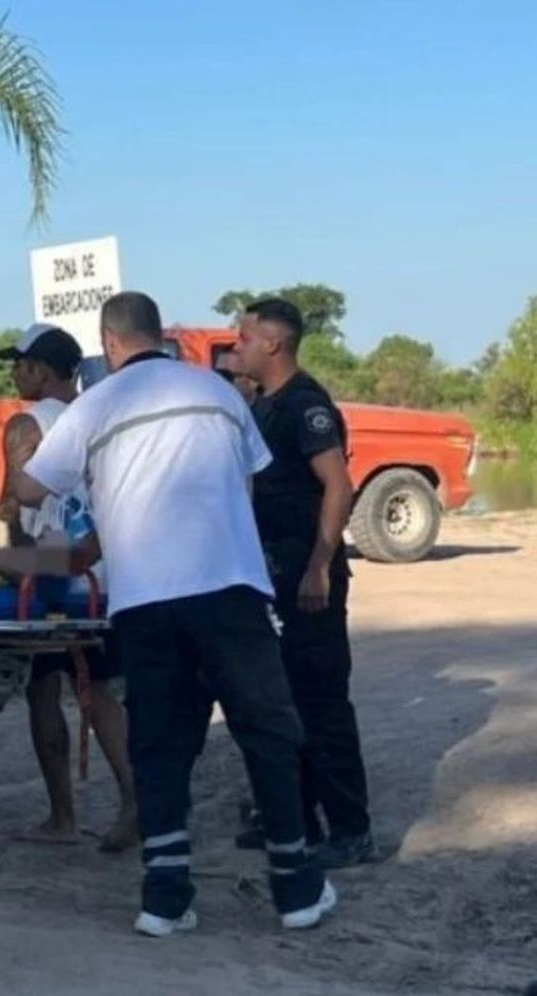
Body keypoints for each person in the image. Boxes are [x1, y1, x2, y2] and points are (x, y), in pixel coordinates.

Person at [11, 291, 334, 937]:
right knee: (267, 731)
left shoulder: (95, 405)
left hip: (145, 600)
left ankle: (164, 899)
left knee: (159, 743)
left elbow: (27, 490)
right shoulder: (216, 392)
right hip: (230, 588)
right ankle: (297, 890)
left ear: (109, 343)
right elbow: (247, 481)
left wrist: (42, 460)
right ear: (160, 336)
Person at [232, 297, 376, 869]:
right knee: (282, 701)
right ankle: (296, 820)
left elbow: (337, 487)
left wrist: (320, 563)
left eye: (243, 336)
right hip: (275, 577)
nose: (234, 344)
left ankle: (350, 831)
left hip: (307, 576)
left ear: (273, 343)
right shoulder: (266, 405)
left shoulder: (306, 406)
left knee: (322, 707)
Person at [0, 323, 138, 853]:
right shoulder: (103, 417)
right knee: (97, 690)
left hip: (55, 581)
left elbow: (15, 504)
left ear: (41, 370)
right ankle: (131, 799)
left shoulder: (26, 424)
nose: (14, 374)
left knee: (44, 688)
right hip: (106, 575)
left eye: (20, 364)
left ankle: (62, 816)